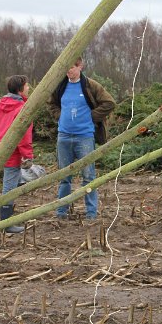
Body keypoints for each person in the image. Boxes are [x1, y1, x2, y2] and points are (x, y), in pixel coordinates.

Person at [47, 56, 115, 221]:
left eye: (72, 67)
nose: (69, 71)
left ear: (80, 67)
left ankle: (91, 213)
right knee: (64, 177)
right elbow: (50, 104)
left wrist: (91, 117)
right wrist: (60, 115)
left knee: (88, 176)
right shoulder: (60, 86)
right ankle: (61, 212)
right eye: (67, 68)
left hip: (84, 136)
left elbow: (109, 103)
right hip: (63, 136)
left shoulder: (90, 86)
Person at [0, 75, 34, 234]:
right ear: (20, 89)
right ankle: (6, 223)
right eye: (27, 86)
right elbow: (23, 135)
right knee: (9, 187)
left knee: (11, 180)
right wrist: (27, 156)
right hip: (11, 151)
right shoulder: (22, 109)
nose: (28, 88)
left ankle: (2, 212)